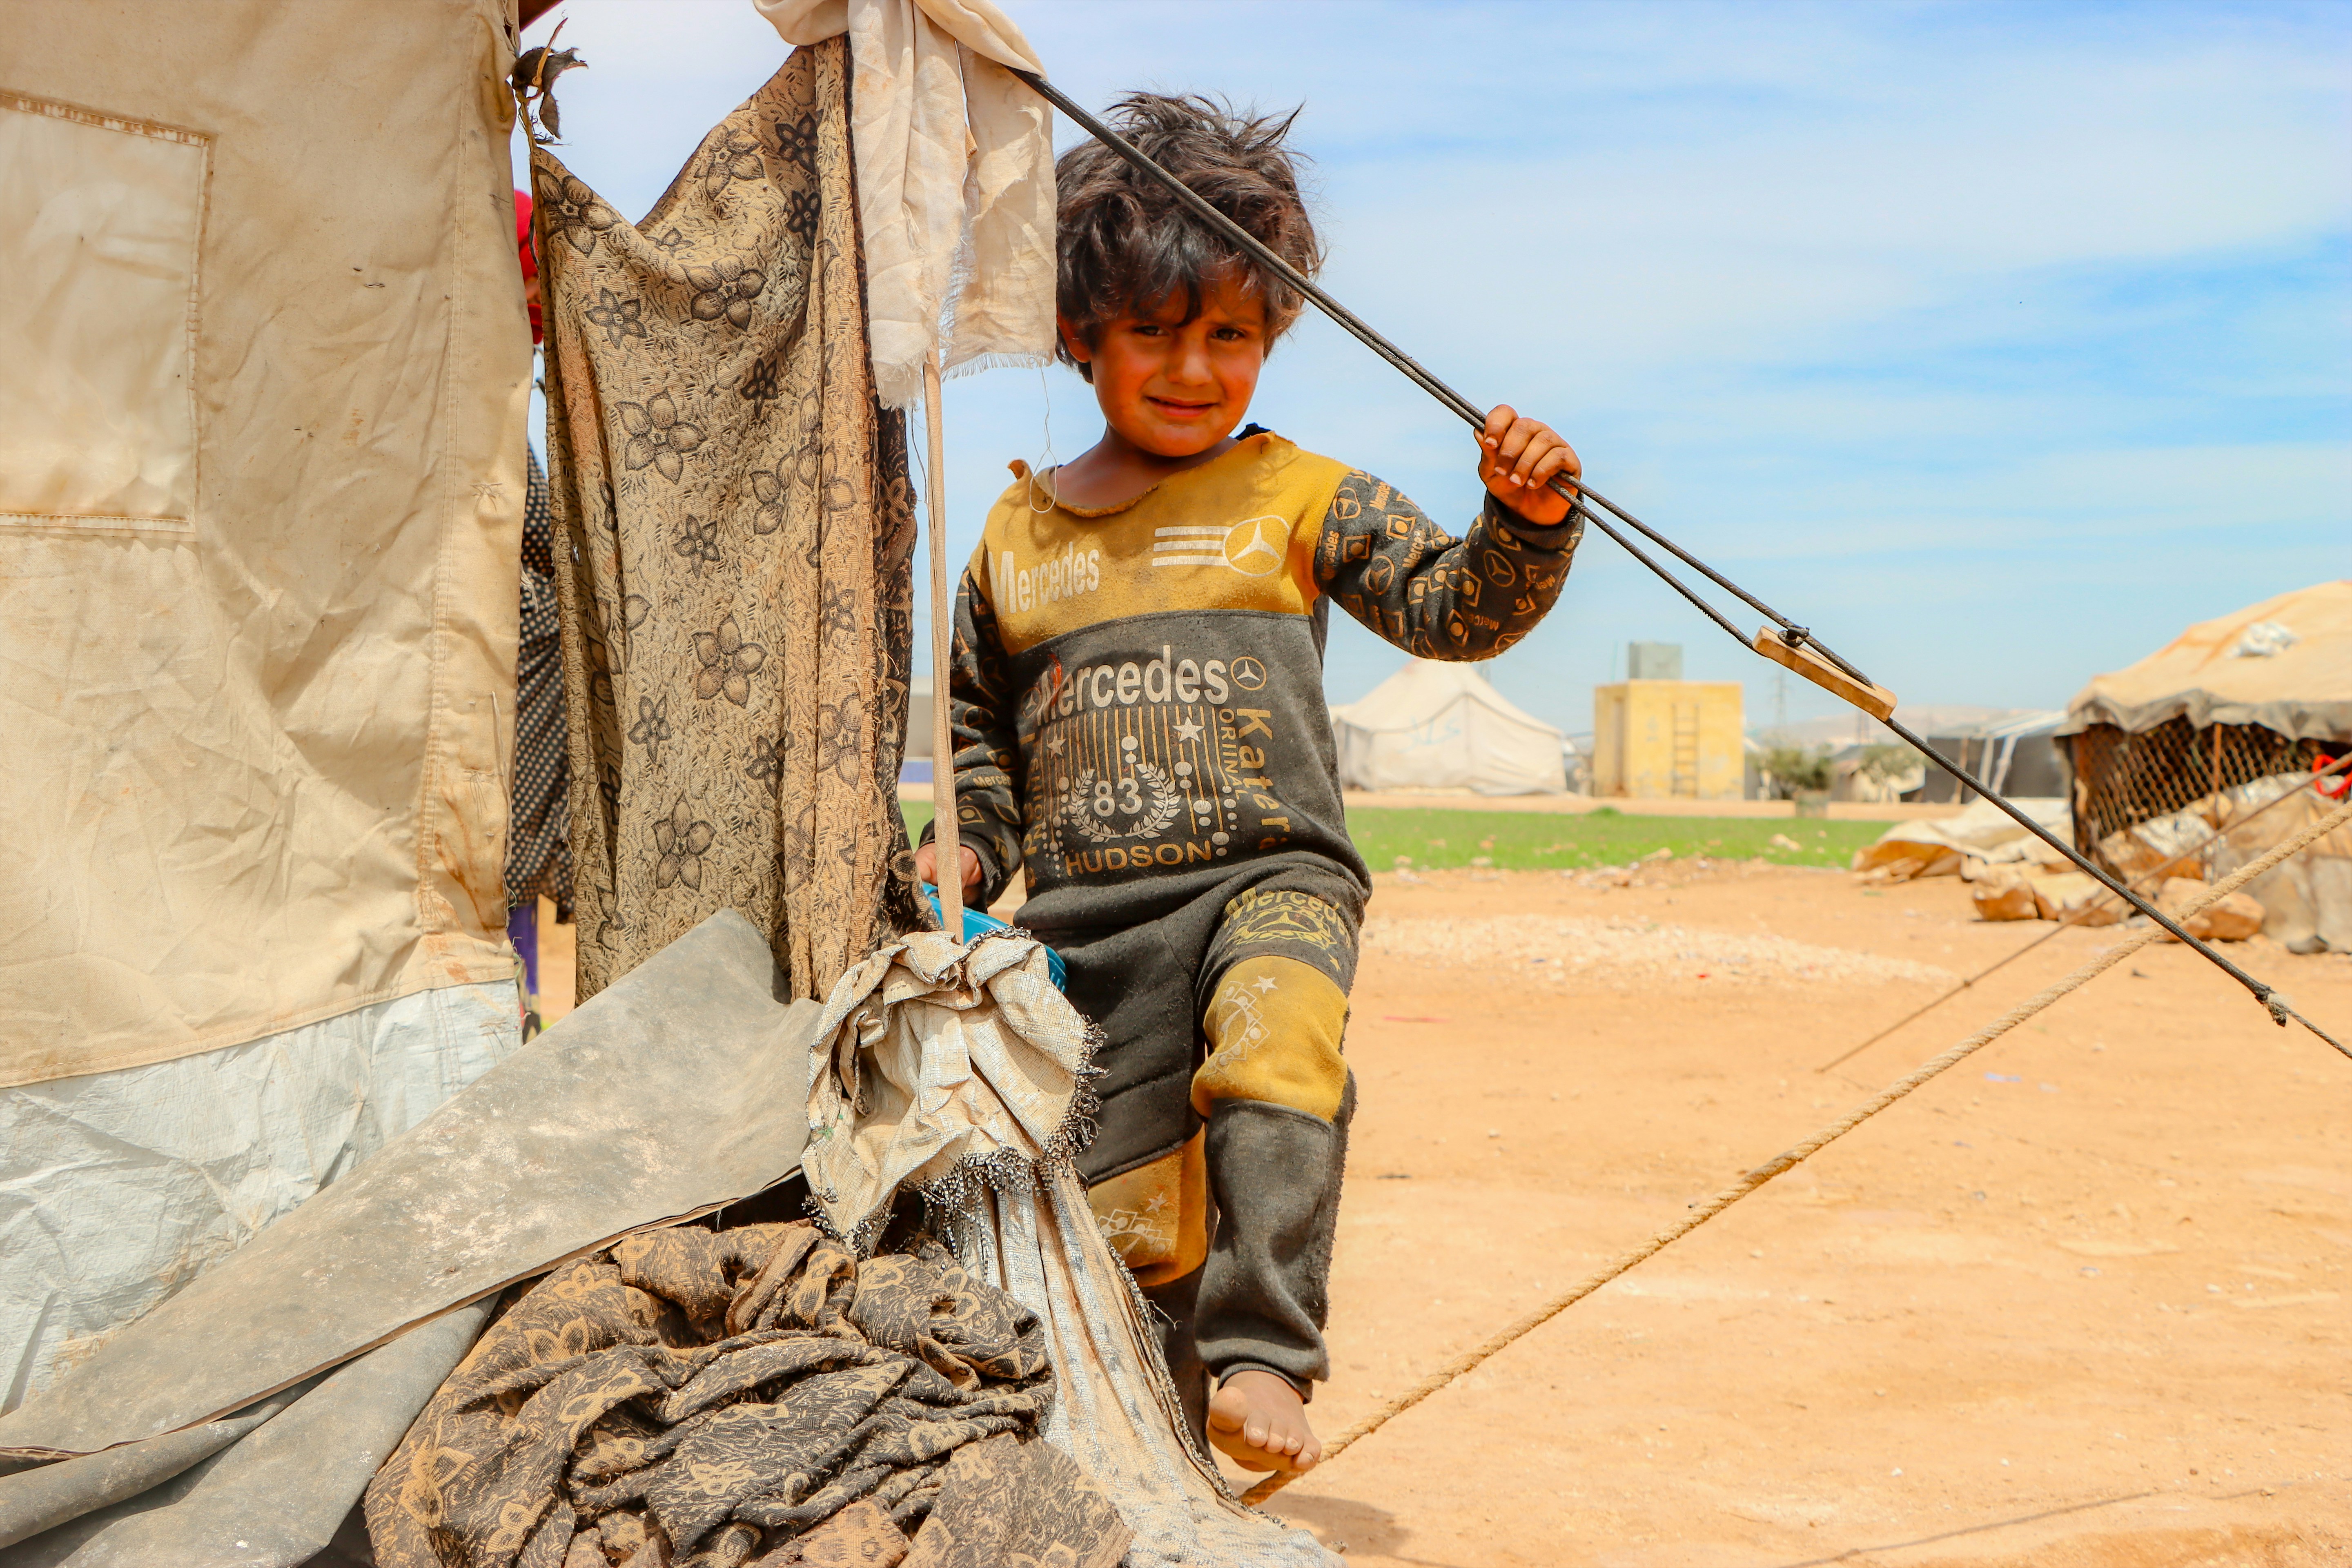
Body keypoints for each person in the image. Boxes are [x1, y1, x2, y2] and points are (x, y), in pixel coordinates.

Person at [913, 93, 1583, 1477]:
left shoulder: (1301, 494)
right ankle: (1166, 1436)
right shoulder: (1013, 539)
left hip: (1268, 879)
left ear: (1271, 334)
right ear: (1077, 333)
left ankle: (1268, 1345)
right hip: (1090, 930)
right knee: (1129, 1215)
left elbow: (1456, 610)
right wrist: (964, 856)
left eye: (1231, 333)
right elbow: (979, 739)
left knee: (1278, 1051)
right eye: (1154, 330)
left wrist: (1525, 522)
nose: (1193, 367)